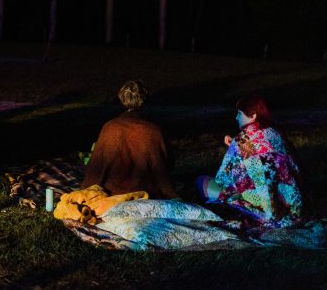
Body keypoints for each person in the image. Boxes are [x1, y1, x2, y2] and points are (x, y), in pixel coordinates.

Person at [198, 94, 304, 227]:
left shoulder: (242, 140)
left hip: (267, 212)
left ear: (253, 116)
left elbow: (222, 178)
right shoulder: (275, 131)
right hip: (295, 207)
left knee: (202, 181)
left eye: (240, 113)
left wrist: (235, 148)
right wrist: (235, 146)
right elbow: (264, 152)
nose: (236, 118)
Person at [81, 80, 178, 199]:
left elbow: (96, 166)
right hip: (147, 194)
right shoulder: (153, 130)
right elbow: (167, 164)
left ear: (122, 99)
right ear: (144, 100)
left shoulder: (110, 127)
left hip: (114, 193)